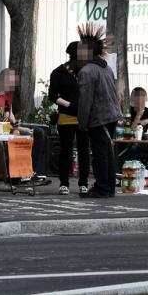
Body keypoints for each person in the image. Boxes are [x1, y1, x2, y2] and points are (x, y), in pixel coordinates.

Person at [76, 23, 121, 198]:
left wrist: (82, 122)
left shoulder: (87, 71)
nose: (78, 53)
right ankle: (108, 188)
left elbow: (85, 101)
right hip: (111, 116)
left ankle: (103, 188)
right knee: (107, 154)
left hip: (99, 118)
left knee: (100, 154)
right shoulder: (106, 68)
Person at [49, 41, 89, 196]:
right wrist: (69, 105)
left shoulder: (86, 71)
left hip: (84, 117)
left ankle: (84, 183)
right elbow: (53, 96)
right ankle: (64, 183)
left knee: (84, 150)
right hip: (66, 116)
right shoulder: (58, 72)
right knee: (65, 150)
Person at [126, 87, 148, 171]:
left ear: (146, 98)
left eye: (142, 97)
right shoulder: (127, 112)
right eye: (136, 97)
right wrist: (138, 115)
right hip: (131, 142)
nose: (139, 100)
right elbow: (129, 131)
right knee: (133, 147)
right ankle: (132, 171)